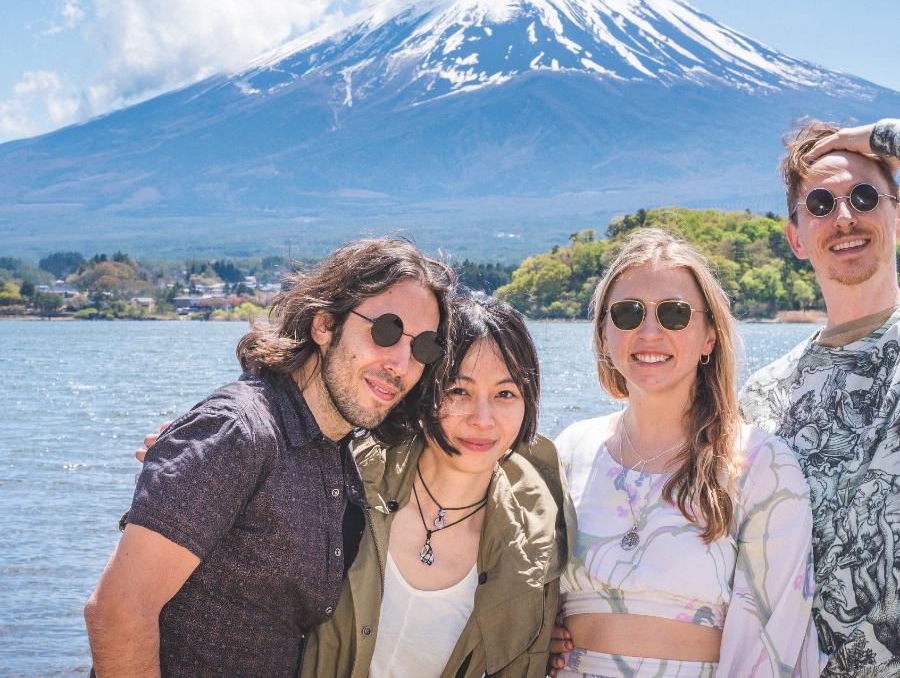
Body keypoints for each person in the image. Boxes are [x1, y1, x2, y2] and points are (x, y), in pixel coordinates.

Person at [137, 295, 573, 677]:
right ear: (423, 387)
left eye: (506, 394)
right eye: (458, 390)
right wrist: (195, 464)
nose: (483, 418)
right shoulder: (338, 476)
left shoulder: (533, 541)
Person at [84, 237, 454, 678]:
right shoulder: (238, 431)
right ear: (324, 325)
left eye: (423, 347)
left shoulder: (337, 456)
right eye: (386, 330)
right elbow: (117, 611)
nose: (401, 362)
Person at [552, 228, 818, 677]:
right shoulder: (569, 451)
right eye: (628, 313)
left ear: (709, 337)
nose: (650, 331)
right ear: (602, 334)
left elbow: (776, 638)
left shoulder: (760, 466)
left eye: (675, 314)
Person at [741, 118, 900, 676]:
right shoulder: (760, 401)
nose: (846, 218)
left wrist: (871, 139)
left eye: (863, 195)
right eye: (820, 204)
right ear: (796, 238)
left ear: (897, 214)